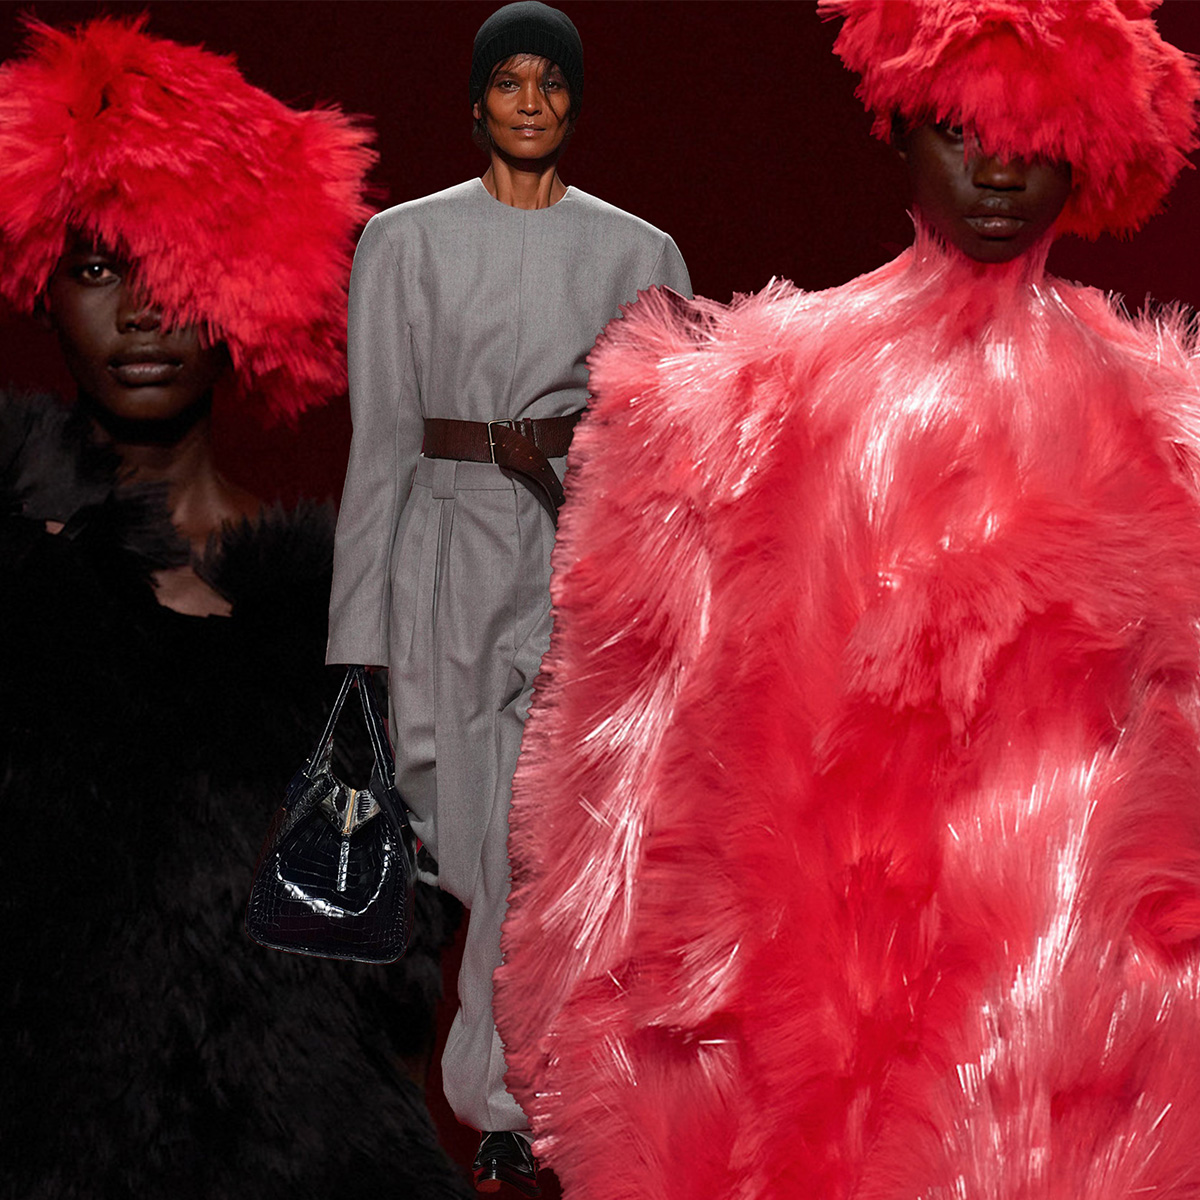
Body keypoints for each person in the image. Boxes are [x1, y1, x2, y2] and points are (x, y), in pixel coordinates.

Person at [496, 1, 1200, 1197]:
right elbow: (618, 753)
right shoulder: (744, 403)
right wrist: (595, 1033)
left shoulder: (1164, 425)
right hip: (802, 998)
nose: (996, 165)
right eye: (959, 127)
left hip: (1065, 1018)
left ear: (1089, 148)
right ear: (897, 127)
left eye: (1033, 134)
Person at [0, 17, 470, 1199]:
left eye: (182, 261)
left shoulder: (357, 607)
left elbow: (391, 990)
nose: (145, 311)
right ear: (45, 283)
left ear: (250, 284)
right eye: (102, 266)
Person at [325, 2, 691, 1193]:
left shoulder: (640, 253)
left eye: (550, 83)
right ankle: (501, 1092)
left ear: (574, 101)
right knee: (464, 832)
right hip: (441, 543)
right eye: (508, 82)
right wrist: (354, 657)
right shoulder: (404, 244)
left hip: (576, 551)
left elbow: (669, 452)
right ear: (476, 98)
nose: (529, 103)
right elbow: (377, 450)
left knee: (550, 842)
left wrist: (665, 618)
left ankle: (507, 1106)